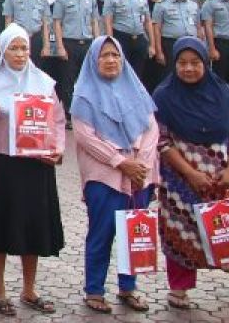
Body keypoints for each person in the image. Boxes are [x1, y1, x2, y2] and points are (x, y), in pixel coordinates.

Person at [0, 24, 66, 317]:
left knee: (33, 225)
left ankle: (29, 288)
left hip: (36, 165)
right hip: (2, 164)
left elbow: (59, 120)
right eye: (14, 48)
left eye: (24, 47)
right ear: (2, 50)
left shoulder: (44, 82)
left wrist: (57, 149)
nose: (20, 53)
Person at [151, 36, 229, 308]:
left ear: (205, 63)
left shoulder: (222, 92)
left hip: (223, 179)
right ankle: (179, 288)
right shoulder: (164, 96)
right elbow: (163, 142)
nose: (188, 68)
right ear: (174, 64)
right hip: (181, 182)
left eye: (195, 63)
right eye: (182, 63)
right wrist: (190, 174)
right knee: (180, 231)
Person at [70, 36, 157, 313]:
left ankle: (128, 287)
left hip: (139, 175)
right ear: (93, 61)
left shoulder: (137, 89)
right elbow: (85, 137)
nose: (110, 61)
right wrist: (121, 161)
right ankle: (94, 291)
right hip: (104, 176)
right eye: (104, 56)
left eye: (115, 55)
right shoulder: (83, 95)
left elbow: (151, 128)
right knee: (102, 233)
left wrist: (139, 163)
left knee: (133, 231)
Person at [51, 0, 102, 122]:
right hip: (69, 43)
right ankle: (69, 114)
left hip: (86, 43)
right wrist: (60, 46)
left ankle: (85, 113)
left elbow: (94, 22)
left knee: (86, 80)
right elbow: (57, 23)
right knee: (67, 80)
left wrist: (97, 43)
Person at [103, 0, 156, 92]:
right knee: (119, 72)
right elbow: (108, 22)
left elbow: (148, 22)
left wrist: (152, 45)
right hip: (121, 38)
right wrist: (111, 43)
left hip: (139, 38)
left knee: (139, 74)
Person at [4, 0, 52, 65]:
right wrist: (8, 45)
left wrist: (46, 45)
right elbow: (8, 21)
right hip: (18, 40)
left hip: (36, 39)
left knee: (37, 71)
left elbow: (45, 23)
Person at [152, 0, 199, 71]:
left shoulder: (193, 5)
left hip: (191, 42)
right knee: (171, 73)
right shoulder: (161, 4)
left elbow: (198, 27)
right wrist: (159, 52)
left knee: (190, 71)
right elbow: (156, 30)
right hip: (171, 44)